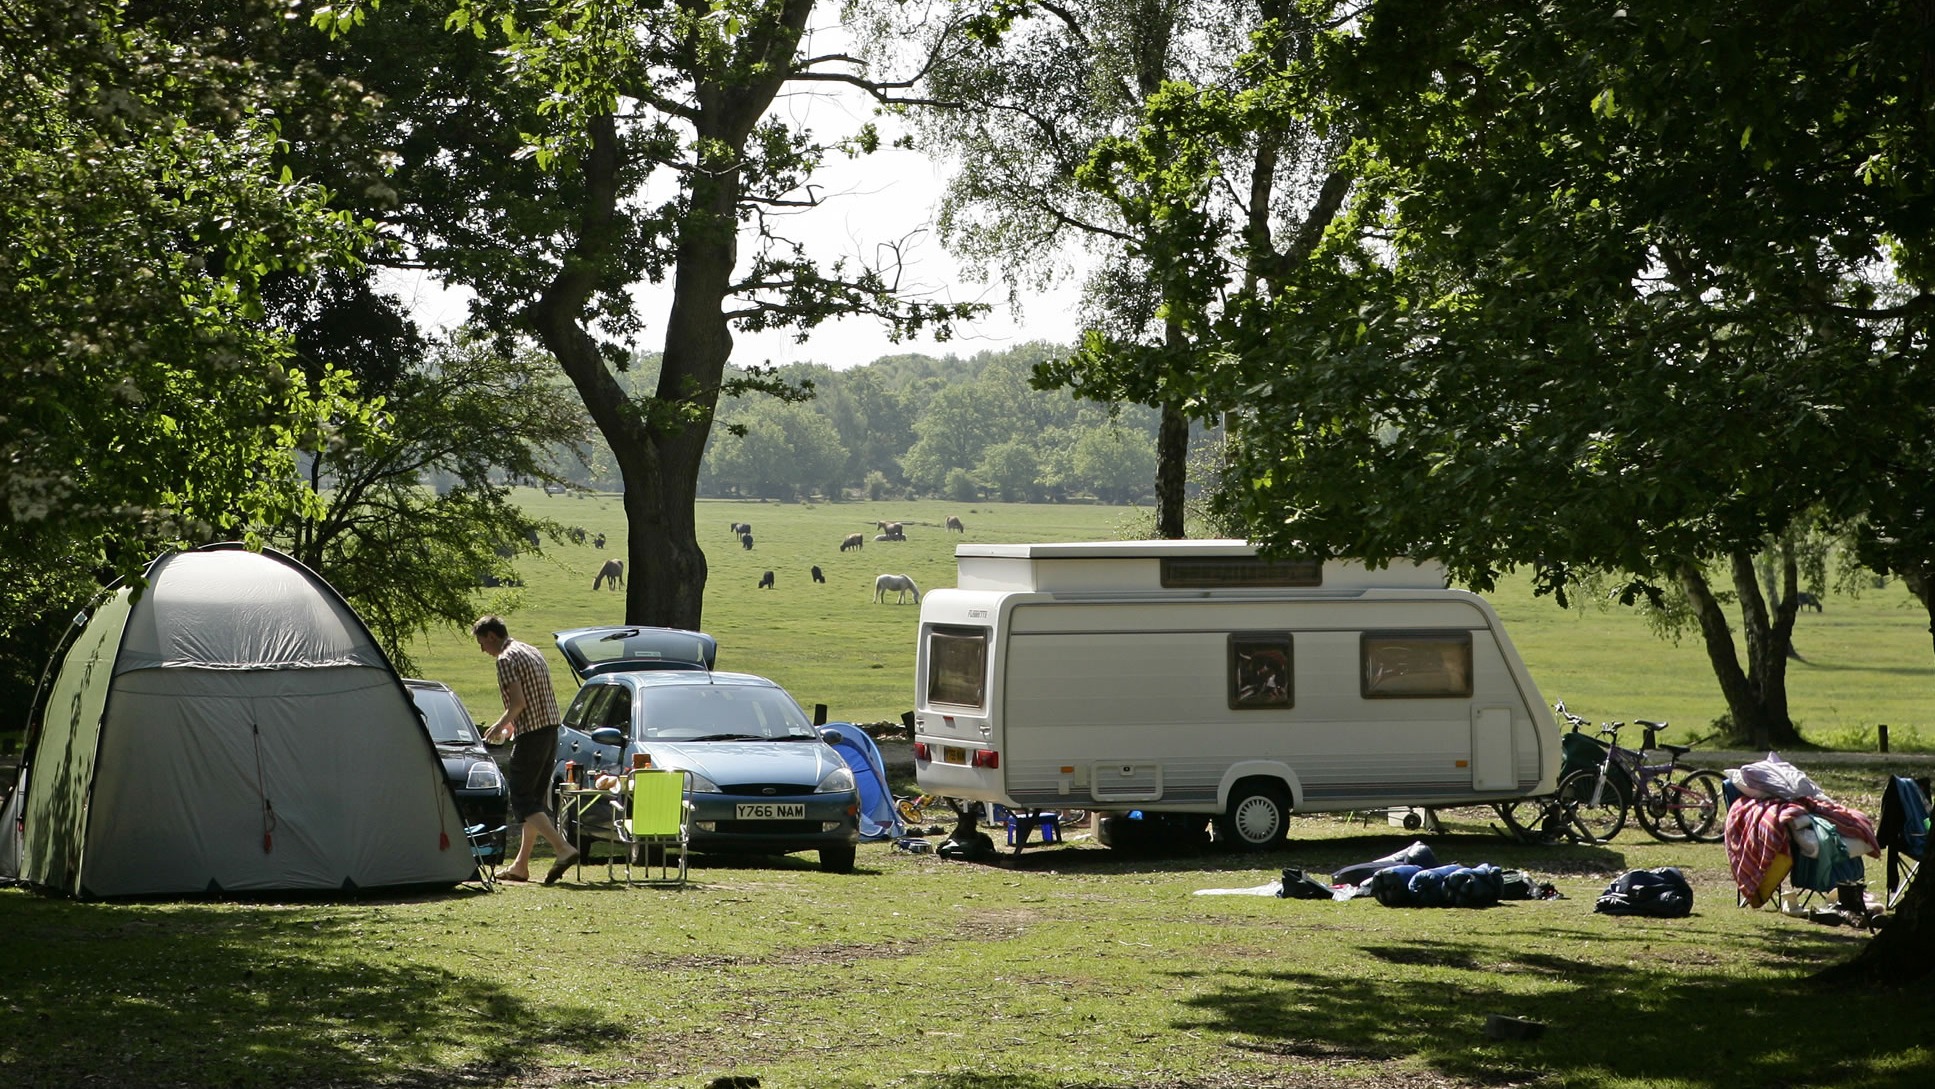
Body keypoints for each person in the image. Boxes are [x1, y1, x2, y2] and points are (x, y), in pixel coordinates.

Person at [473, 615, 579, 884]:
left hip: (532, 736)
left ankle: (563, 848)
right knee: (534, 800)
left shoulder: (505, 659)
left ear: (492, 637)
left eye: (482, 642)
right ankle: (521, 865)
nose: (482, 649)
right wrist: (511, 727)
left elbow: (518, 703)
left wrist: (498, 726)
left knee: (522, 798)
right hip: (550, 731)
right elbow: (533, 700)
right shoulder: (530, 650)